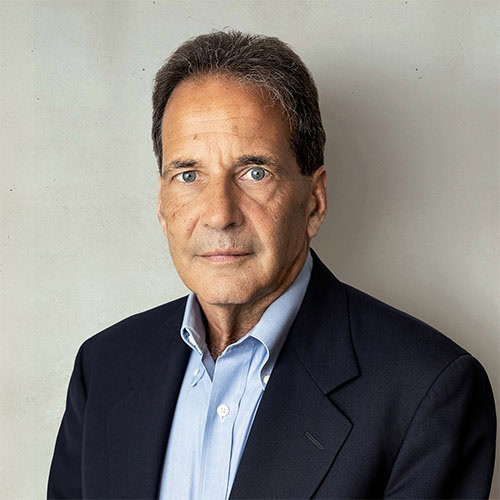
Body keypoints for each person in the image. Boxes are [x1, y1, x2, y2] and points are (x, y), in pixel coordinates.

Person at [47, 30, 496, 499]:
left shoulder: (427, 389)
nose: (220, 214)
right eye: (189, 174)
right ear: (162, 205)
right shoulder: (104, 367)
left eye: (254, 172)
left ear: (314, 201)